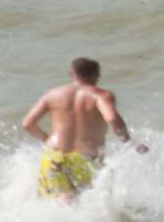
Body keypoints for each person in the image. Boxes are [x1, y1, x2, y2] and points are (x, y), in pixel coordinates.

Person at [21, 57, 145, 201]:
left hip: (53, 157)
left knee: (59, 202)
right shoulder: (100, 95)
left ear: (72, 74)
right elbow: (111, 118)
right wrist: (128, 142)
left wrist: (46, 138)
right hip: (84, 159)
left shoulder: (53, 94)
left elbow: (28, 124)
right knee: (85, 204)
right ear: (96, 75)